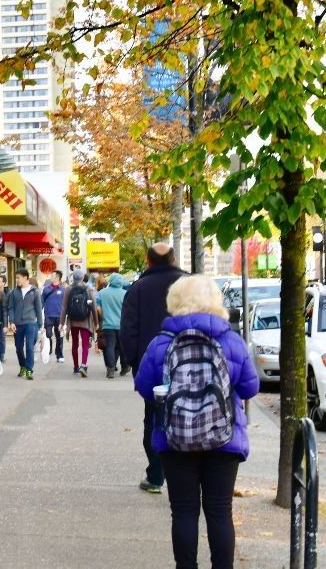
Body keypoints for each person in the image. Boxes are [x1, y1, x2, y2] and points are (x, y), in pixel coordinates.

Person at [134, 275, 260, 569]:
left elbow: (143, 387)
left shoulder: (161, 343)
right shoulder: (231, 341)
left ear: (174, 302)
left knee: (183, 511)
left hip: (174, 438)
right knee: (219, 510)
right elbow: (251, 388)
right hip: (224, 437)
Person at [119, 242, 185, 494]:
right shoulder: (188, 284)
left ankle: (156, 476)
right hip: (189, 363)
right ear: (174, 259)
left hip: (153, 367)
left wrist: (135, 361)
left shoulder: (137, 289)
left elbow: (128, 331)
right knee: (189, 412)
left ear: (148, 262)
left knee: (154, 419)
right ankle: (183, 476)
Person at [60, 270, 99, 377]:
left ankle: (76, 367)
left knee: (75, 344)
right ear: (83, 278)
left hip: (73, 321)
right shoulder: (89, 289)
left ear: (74, 278)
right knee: (85, 344)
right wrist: (96, 322)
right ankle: (83, 365)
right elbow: (93, 307)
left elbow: (64, 307)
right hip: (85, 320)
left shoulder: (68, 289)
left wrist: (61, 322)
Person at [5, 268, 42, 380]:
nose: (17, 280)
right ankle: (23, 366)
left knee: (30, 347)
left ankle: (29, 370)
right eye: (16, 278)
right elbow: (10, 308)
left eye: (18, 278)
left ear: (26, 278)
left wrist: (40, 326)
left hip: (30, 323)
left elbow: (38, 309)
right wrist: (11, 322)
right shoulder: (14, 292)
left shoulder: (35, 291)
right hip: (17, 324)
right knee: (18, 347)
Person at [96, 273, 129, 378]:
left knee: (110, 345)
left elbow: (98, 308)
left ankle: (110, 369)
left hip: (108, 324)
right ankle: (124, 367)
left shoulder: (102, 292)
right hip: (122, 325)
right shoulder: (125, 293)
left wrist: (104, 316)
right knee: (123, 346)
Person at [42, 271, 67, 362]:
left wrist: (65, 316)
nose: (50, 277)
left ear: (57, 278)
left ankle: (59, 354)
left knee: (59, 336)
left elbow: (65, 304)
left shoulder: (63, 289)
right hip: (48, 315)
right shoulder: (46, 289)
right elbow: (41, 302)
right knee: (48, 334)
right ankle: (49, 349)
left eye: (52, 275)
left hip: (59, 316)